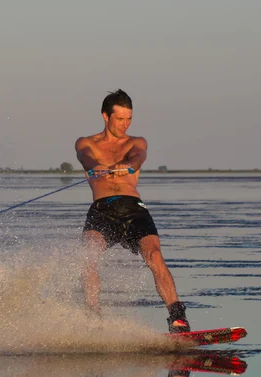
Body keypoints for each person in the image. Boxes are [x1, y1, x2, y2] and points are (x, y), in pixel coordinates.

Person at [74, 89, 190, 333]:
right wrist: (95, 166)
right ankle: (92, 320)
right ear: (105, 116)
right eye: (120, 119)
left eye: (129, 119)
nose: (125, 124)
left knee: (154, 254)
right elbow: (85, 157)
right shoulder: (86, 143)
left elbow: (138, 157)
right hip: (101, 209)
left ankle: (178, 319)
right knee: (88, 256)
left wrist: (125, 166)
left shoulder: (136, 142)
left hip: (133, 209)